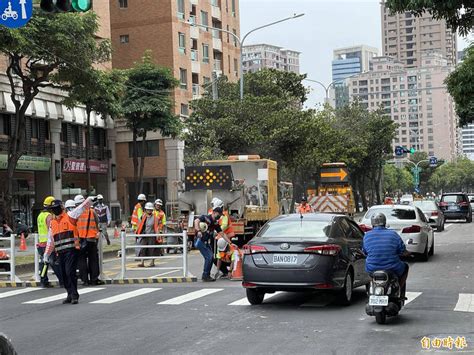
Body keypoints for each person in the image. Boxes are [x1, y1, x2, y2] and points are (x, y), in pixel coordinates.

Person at [44, 196, 95, 304]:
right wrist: (46, 254)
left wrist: (89, 200)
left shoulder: (70, 216)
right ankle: (69, 293)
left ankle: (74, 295)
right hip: (60, 252)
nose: (55, 210)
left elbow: (81, 208)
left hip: (71, 250)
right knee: (63, 274)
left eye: (57, 208)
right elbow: (50, 241)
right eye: (53, 209)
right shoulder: (52, 224)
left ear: (62, 207)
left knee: (69, 272)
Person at [362, 212, 410, 299]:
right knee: (405, 267)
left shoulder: (367, 236)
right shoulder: (393, 234)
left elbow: (365, 252)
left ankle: (371, 290)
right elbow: (402, 250)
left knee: (369, 275)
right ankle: (400, 290)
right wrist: (408, 253)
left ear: (372, 223)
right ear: (384, 222)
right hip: (393, 267)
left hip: (372, 268)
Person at [75, 195, 103, 286]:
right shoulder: (92, 211)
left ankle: (85, 280)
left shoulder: (75, 213)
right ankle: (94, 279)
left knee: (81, 260)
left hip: (80, 240)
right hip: (91, 239)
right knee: (93, 260)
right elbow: (97, 223)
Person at [36, 196, 62, 288]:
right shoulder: (49, 216)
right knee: (53, 262)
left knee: (44, 263)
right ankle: (62, 280)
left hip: (41, 243)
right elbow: (51, 230)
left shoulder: (40, 215)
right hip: (48, 244)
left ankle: (43, 281)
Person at [136, 202, 162, 267]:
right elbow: (140, 225)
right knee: (142, 248)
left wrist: (157, 235)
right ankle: (142, 262)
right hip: (144, 235)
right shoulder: (143, 217)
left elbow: (157, 227)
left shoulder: (155, 218)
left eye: (150, 210)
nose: (149, 211)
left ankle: (152, 262)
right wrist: (137, 232)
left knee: (152, 249)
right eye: (148, 209)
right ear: (145, 209)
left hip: (152, 235)